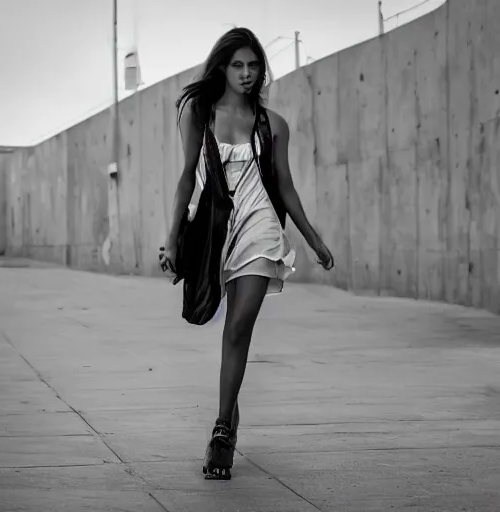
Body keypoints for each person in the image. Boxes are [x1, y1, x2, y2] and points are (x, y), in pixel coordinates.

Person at [158, 27, 334, 480]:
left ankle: (221, 433)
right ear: (222, 66)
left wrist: (313, 239)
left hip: (260, 226)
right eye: (237, 64)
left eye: (253, 65)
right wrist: (173, 237)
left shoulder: (273, 125)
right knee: (225, 329)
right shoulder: (199, 112)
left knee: (238, 326)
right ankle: (228, 417)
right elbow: (185, 179)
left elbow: (285, 186)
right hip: (215, 227)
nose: (247, 73)